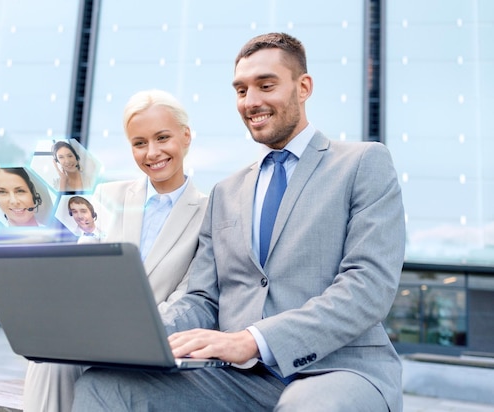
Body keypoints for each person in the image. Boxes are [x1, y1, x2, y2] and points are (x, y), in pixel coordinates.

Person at [71, 32, 406, 412]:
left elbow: (368, 287)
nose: (252, 101)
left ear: (304, 87)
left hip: (339, 371)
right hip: (238, 378)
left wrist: (253, 339)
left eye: (266, 85)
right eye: (241, 90)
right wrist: (131, 332)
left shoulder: (363, 163)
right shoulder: (226, 192)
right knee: (103, 385)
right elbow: (202, 298)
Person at [23, 89, 209, 411]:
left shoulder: (210, 211)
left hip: (157, 343)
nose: (152, 153)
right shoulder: (109, 197)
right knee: (50, 359)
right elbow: (80, 275)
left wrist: (129, 331)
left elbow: (192, 295)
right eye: (139, 143)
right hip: (93, 334)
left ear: (186, 136)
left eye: (162, 138)